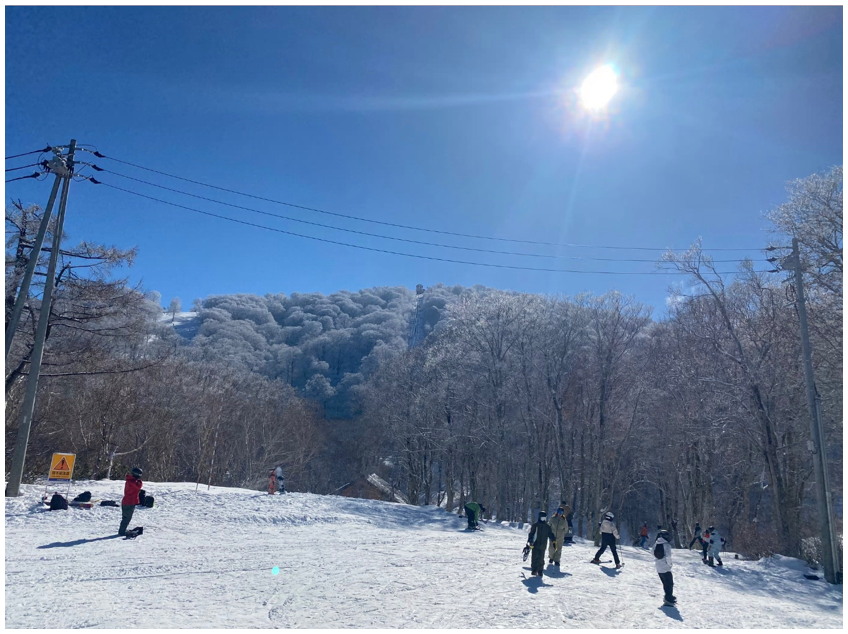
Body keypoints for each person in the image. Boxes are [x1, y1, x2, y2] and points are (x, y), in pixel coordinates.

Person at [527, 511, 555, 577]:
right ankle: (534, 569)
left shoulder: (547, 527)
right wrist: (530, 540)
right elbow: (531, 534)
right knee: (534, 557)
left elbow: (550, 534)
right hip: (535, 544)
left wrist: (553, 540)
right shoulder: (535, 525)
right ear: (539, 517)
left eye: (544, 518)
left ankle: (540, 570)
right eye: (542, 518)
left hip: (543, 545)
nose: (543, 519)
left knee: (541, 557)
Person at [654, 529, 676, 606]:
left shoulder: (656, 544)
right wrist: (670, 565)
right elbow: (668, 557)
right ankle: (668, 598)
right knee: (669, 583)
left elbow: (653, 553)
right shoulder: (666, 545)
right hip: (665, 567)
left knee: (665, 582)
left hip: (658, 567)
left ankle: (668, 596)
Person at [119, 467, 143, 536]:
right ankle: (122, 531)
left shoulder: (130, 480)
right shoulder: (132, 482)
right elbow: (139, 486)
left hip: (127, 501)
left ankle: (122, 530)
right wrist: (140, 481)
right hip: (129, 502)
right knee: (126, 518)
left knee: (125, 518)